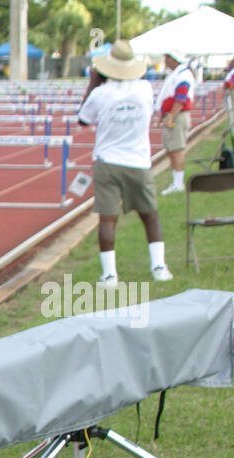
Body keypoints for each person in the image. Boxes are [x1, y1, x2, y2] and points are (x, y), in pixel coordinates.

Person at [76, 40, 173, 288]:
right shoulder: (144, 89)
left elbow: (83, 120)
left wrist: (93, 82)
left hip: (107, 161)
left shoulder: (100, 93)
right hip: (138, 161)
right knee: (150, 215)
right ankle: (159, 267)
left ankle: (110, 275)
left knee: (107, 219)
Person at [157, 49, 196, 194]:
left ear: (174, 59)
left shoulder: (183, 75)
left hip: (178, 116)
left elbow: (180, 98)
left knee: (176, 149)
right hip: (173, 114)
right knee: (171, 149)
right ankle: (176, 182)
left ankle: (178, 184)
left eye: (167, 57)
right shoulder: (177, 74)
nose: (165, 60)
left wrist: (171, 116)